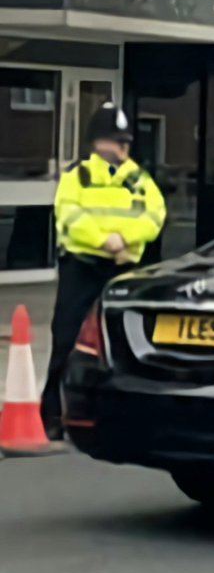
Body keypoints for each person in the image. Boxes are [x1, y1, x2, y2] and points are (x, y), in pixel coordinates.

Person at [41, 103, 166, 439]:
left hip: (122, 268)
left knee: (123, 345)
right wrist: (104, 241)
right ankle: (52, 414)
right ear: (97, 142)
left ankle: (114, 415)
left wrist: (124, 240)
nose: (123, 148)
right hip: (81, 269)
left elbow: (155, 215)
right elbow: (69, 217)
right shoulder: (77, 176)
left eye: (126, 142)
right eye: (116, 141)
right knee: (66, 340)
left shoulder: (138, 178)